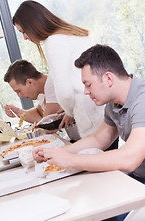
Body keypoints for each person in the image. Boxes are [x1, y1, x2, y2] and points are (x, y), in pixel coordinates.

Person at [33, 44, 145, 221]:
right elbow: (98, 139)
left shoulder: (142, 101)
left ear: (108, 78)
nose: (85, 92)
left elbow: (129, 159)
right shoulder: (114, 103)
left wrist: (69, 160)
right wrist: (55, 151)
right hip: (136, 179)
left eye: (88, 84)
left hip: (138, 180)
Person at [12, 0, 104, 139]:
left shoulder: (54, 42)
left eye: (23, 31)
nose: (24, 37)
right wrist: (69, 111)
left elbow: (65, 92)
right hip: (103, 111)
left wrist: (69, 111)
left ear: (33, 24)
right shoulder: (71, 34)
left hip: (91, 119)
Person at [3, 59, 62, 124]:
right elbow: (38, 114)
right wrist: (18, 112)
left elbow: (48, 124)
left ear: (30, 82)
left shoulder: (52, 85)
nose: (19, 96)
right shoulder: (42, 91)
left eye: (19, 91)